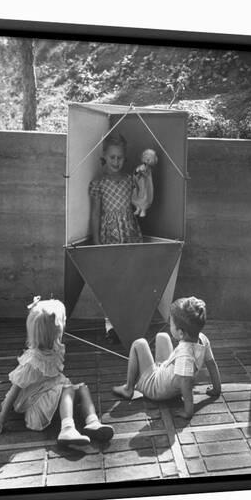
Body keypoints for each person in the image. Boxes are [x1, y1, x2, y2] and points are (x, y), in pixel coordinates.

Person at [0, 296, 114, 445]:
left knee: (83, 388)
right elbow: (15, 389)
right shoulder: (32, 362)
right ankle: (67, 429)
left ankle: (92, 422)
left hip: (49, 390)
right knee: (68, 389)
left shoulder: (55, 349)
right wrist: (2, 416)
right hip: (35, 405)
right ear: (55, 332)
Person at [112, 296, 222, 418]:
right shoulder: (202, 339)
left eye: (171, 323)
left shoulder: (185, 356)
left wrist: (188, 412)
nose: (170, 325)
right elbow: (211, 364)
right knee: (163, 336)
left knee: (139, 343)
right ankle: (152, 371)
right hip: (170, 382)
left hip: (155, 389)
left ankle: (128, 388)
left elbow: (186, 384)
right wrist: (217, 389)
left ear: (180, 333)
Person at [89, 133, 143, 344]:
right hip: (109, 236)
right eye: (112, 157)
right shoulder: (98, 183)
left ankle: (128, 322)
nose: (116, 162)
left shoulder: (129, 179)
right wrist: (96, 240)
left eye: (120, 157)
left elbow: (142, 198)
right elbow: (95, 213)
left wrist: (145, 175)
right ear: (104, 156)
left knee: (130, 278)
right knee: (111, 282)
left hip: (129, 233)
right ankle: (110, 325)